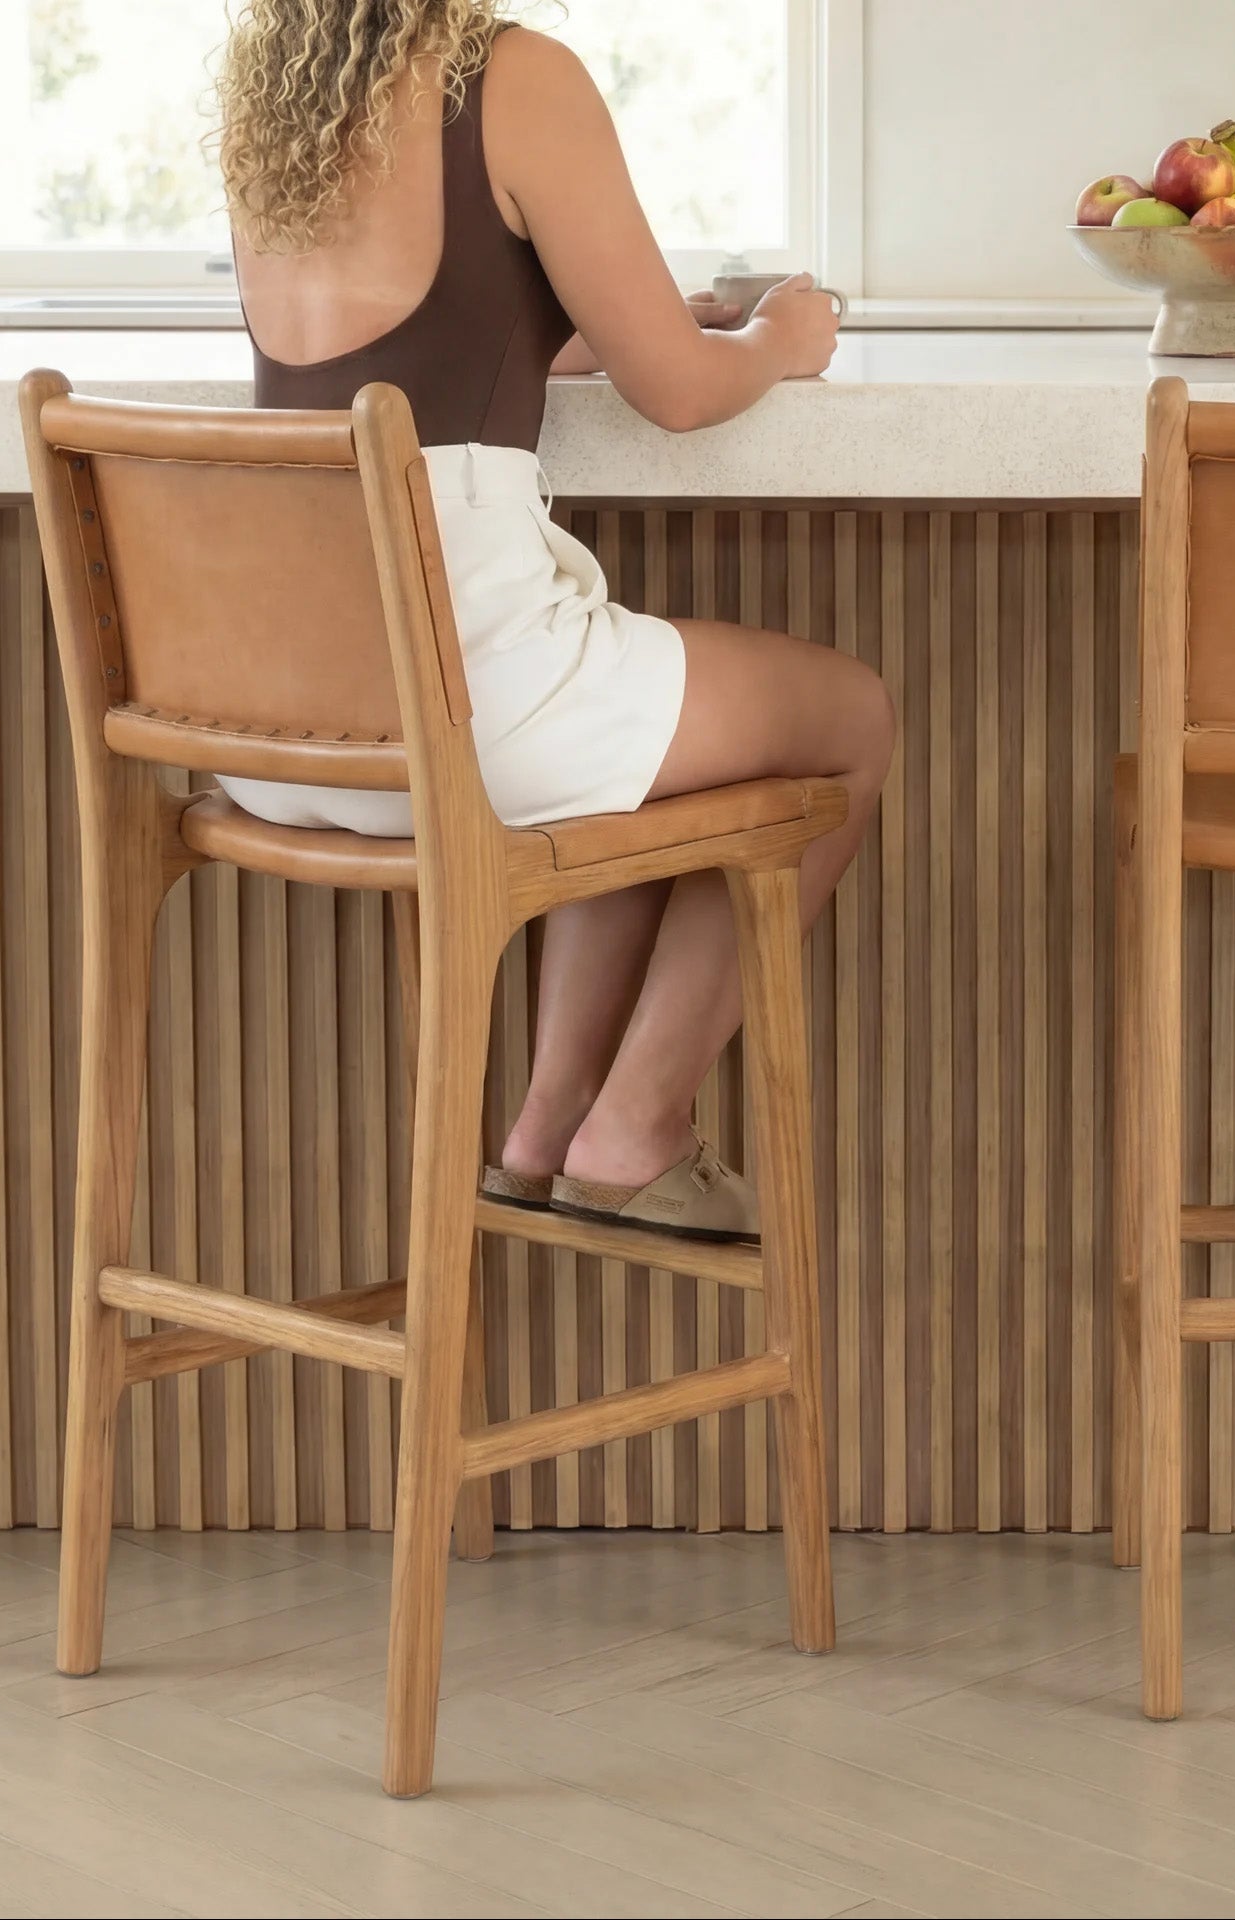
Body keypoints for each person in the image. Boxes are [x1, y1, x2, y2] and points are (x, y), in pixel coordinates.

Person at [215, 3, 894, 1242]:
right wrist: (776, 340)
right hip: (468, 710)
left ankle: (545, 1130)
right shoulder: (512, 76)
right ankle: (634, 1128)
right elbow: (682, 394)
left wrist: (626, 313)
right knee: (852, 720)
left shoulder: (279, 102)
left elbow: (425, 346)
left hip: (284, 732)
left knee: (636, 738)